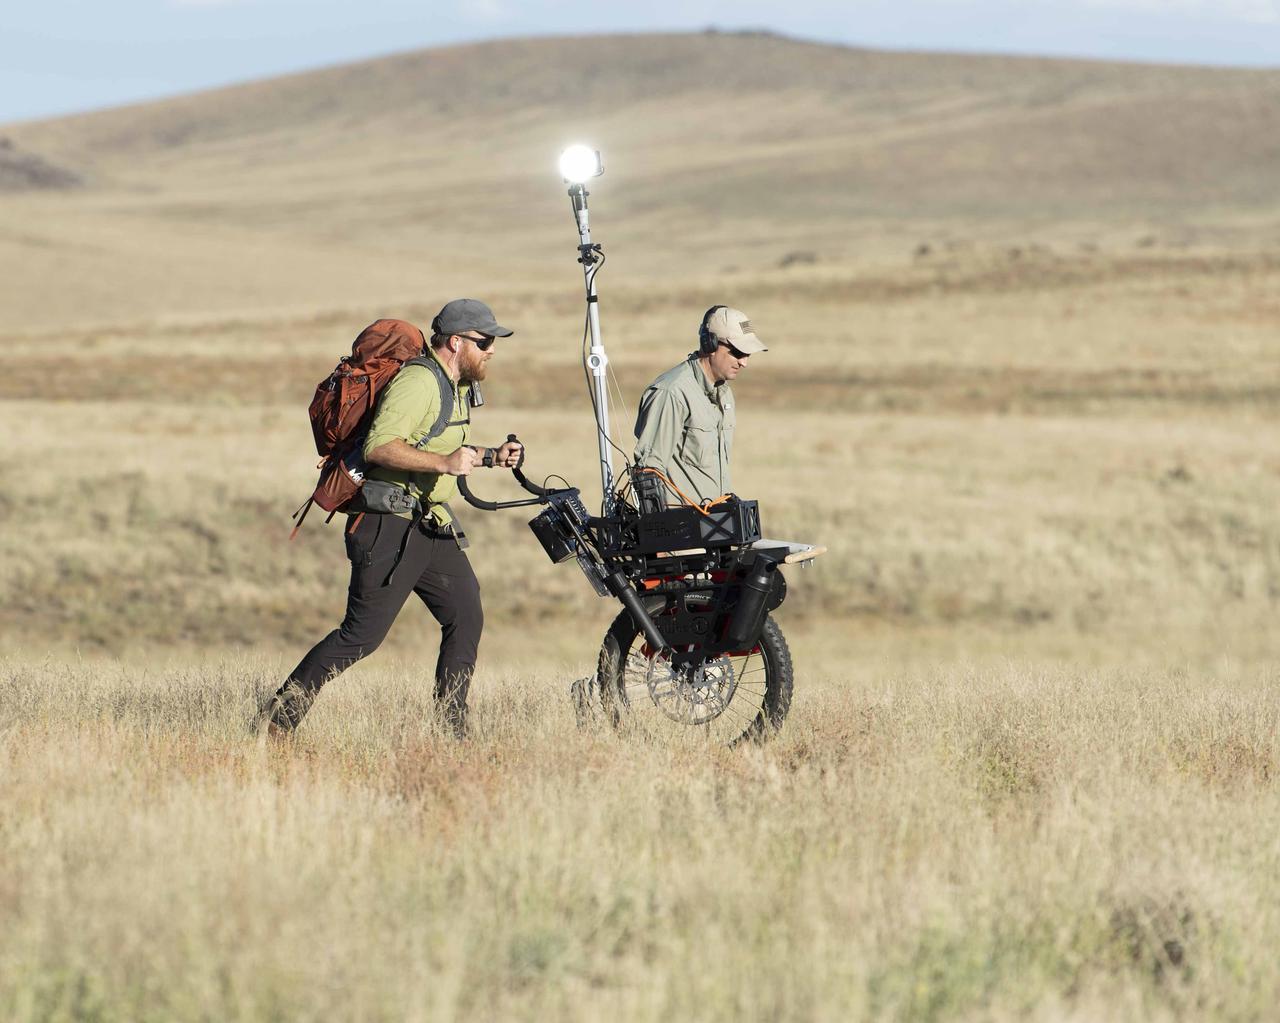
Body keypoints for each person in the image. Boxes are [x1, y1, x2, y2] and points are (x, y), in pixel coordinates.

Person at [263, 299, 523, 738]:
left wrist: (490, 456)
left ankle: (451, 731)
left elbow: (439, 444)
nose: (492, 350)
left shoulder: (455, 384)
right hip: (387, 525)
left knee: (465, 614)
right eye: (485, 341)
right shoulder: (420, 382)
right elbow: (379, 447)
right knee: (360, 636)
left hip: (426, 523)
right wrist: (443, 464)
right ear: (456, 342)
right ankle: (277, 719)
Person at [632, 305, 767, 505]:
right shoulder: (672, 393)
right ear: (710, 344)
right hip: (682, 530)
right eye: (738, 352)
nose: (744, 362)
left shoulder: (725, 393)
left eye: (748, 355)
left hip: (717, 525)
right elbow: (648, 472)